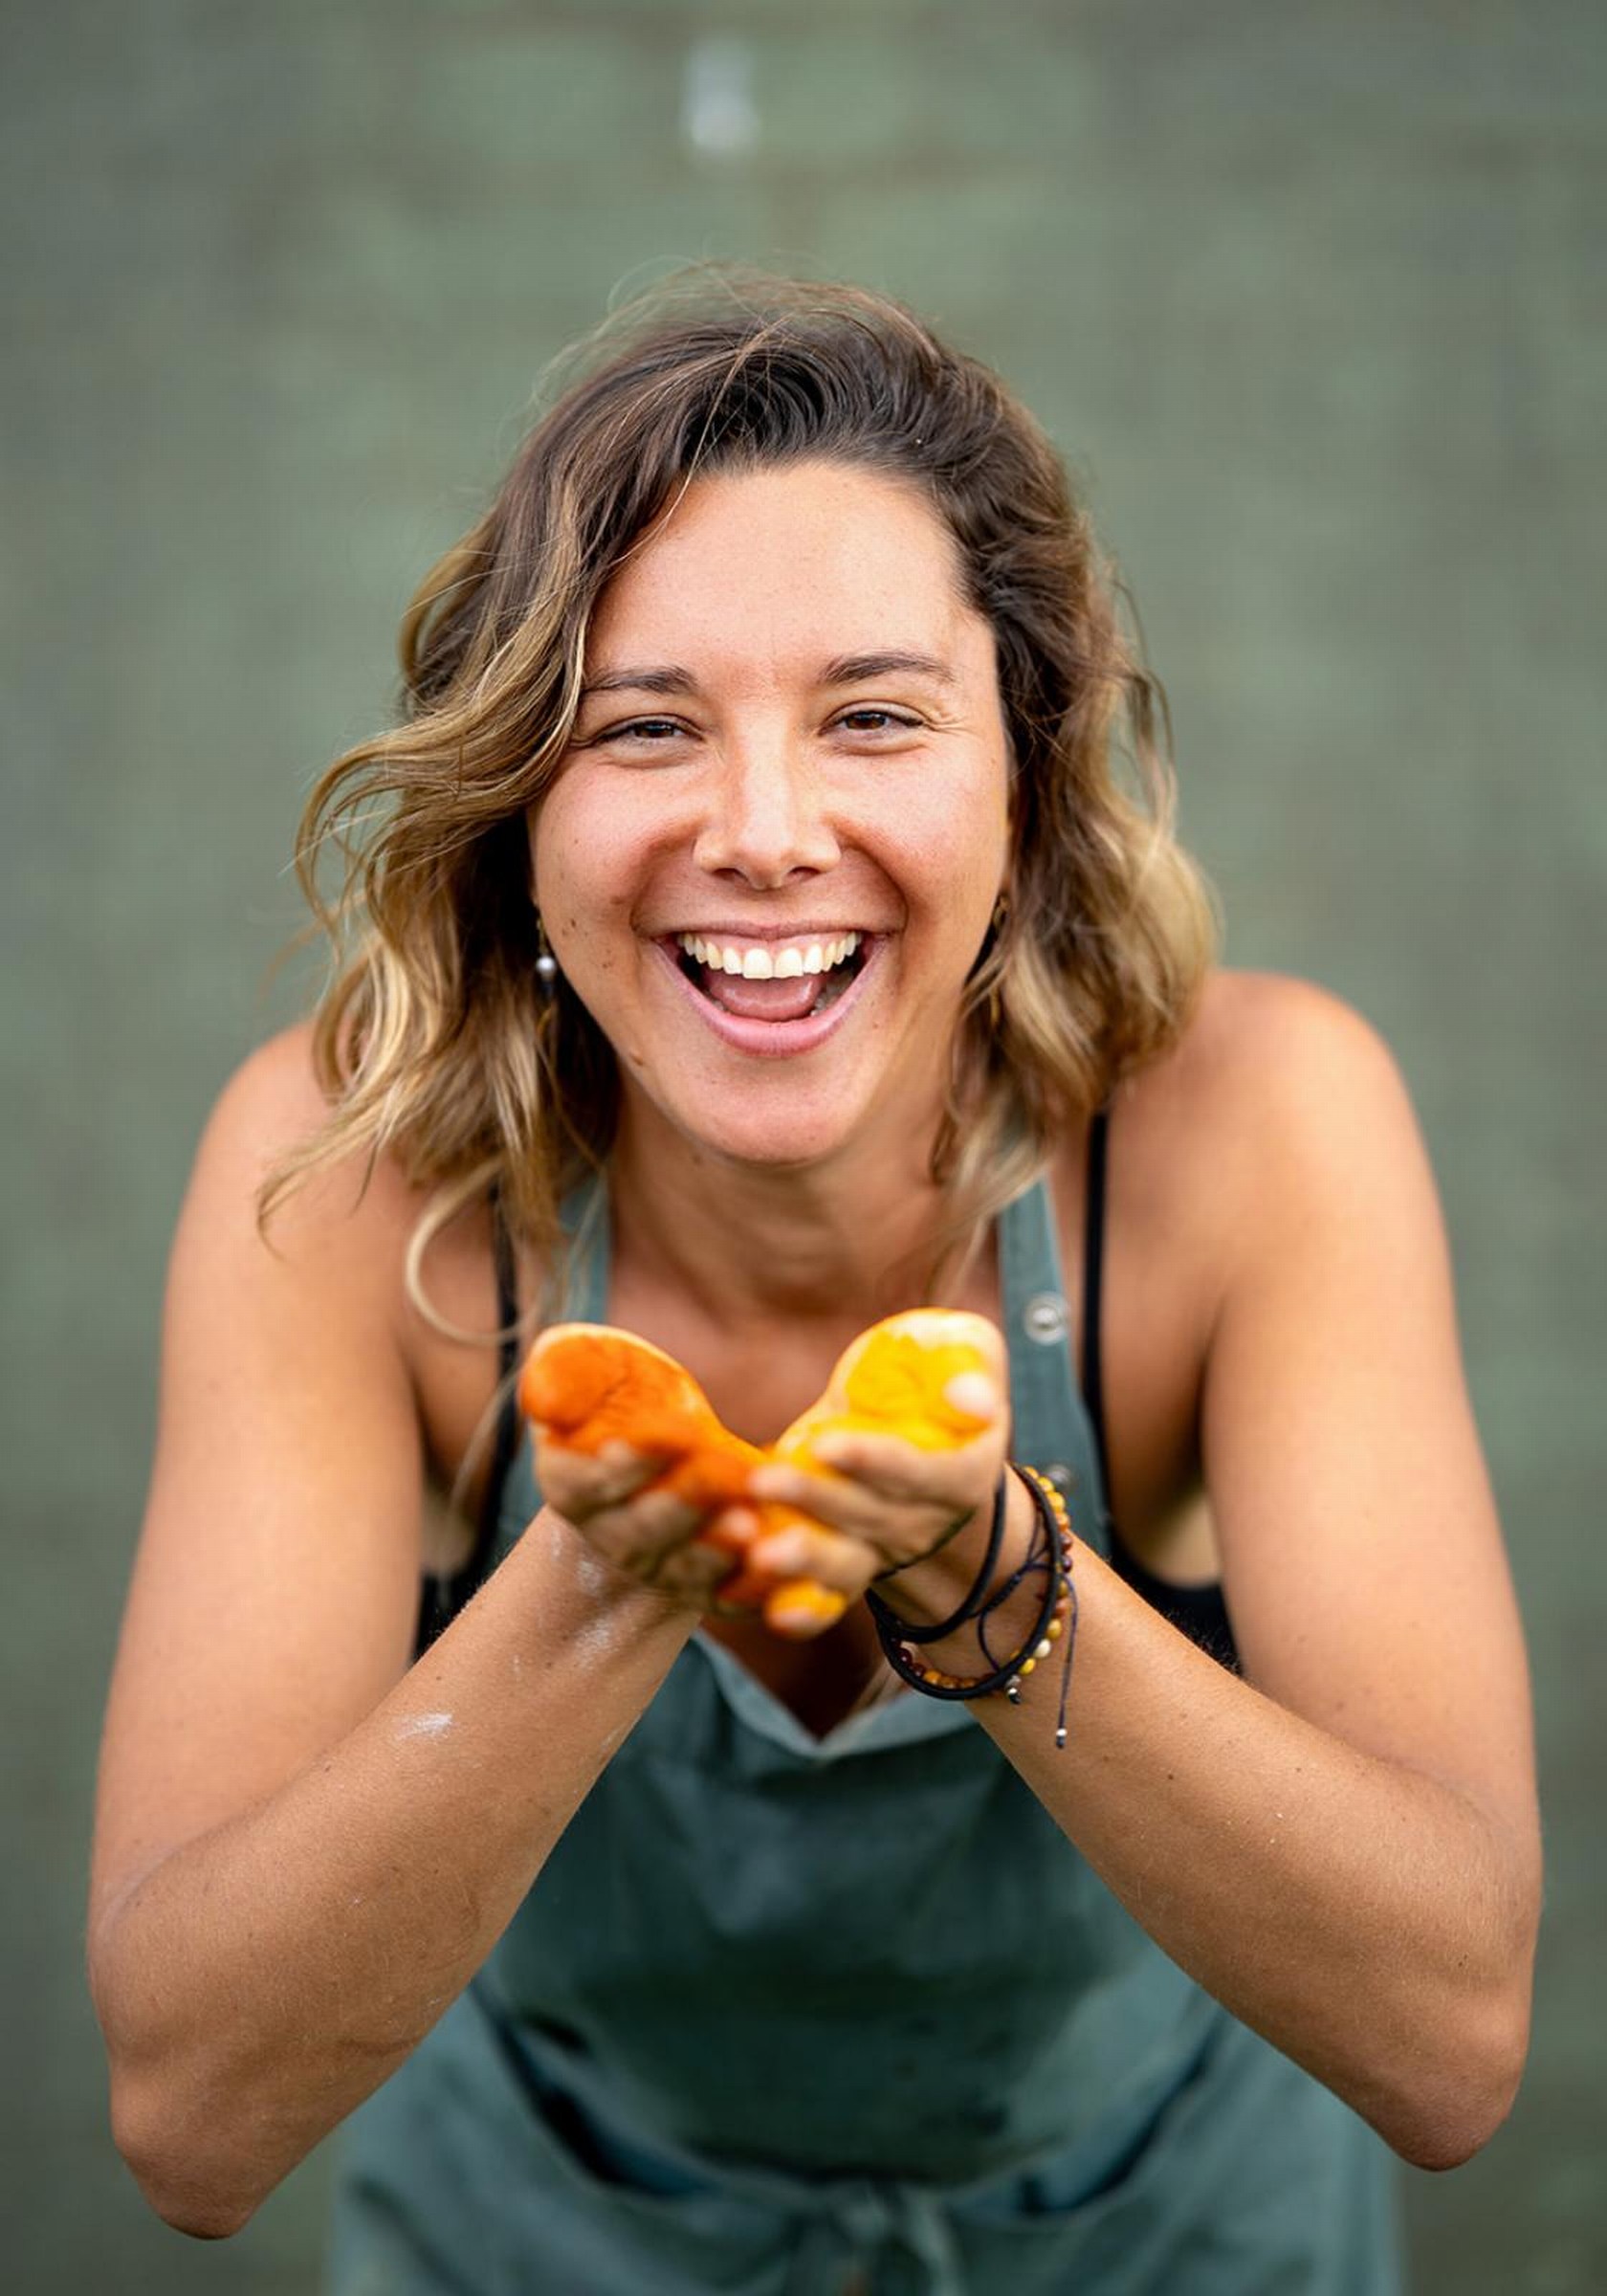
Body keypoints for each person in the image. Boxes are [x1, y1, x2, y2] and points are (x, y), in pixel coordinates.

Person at [88, 276, 1540, 2296]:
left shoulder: (1259, 1134)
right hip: (550, 2234)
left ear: (1022, 792)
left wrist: (992, 1587)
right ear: (523, 818)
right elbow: (189, 2111)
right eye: (644, 726)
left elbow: (1450, 2038)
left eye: (874, 716)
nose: (766, 835)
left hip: (1174, 2231)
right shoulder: (339, 1180)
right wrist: (607, 1578)